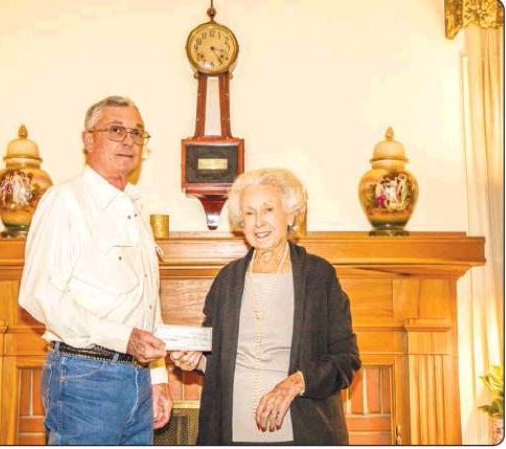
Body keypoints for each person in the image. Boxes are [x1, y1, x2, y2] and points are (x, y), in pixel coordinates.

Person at [18, 95, 172, 445]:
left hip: (138, 379)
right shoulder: (65, 201)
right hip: (84, 377)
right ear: (88, 139)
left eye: (137, 133)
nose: (129, 141)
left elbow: (148, 302)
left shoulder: (135, 207)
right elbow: (39, 294)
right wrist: (122, 337)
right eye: (116, 130)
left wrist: (158, 377)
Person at [171, 168, 361, 445]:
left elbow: (346, 359)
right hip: (231, 431)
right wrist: (194, 359)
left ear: (291, 214)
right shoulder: (227, 280)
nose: (258, 222)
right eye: (249, 213)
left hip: (303, 430)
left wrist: (295, 382)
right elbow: (216, 361)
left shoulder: (319, 276)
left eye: (268, 209)